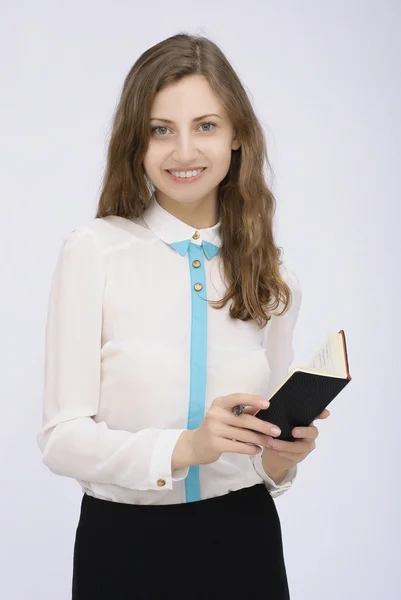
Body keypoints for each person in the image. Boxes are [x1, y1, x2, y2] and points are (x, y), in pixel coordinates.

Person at [37, 32, 329, 600]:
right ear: (135, 143)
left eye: (206, 125)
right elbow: (61, 438)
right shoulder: (93, 250)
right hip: (122, 545)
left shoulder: (275, 275)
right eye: (160, 129)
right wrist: (185, 448)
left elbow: (264, 457)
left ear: (237, 133)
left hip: (243, 541)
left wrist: (281, 456)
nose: (184, 151)